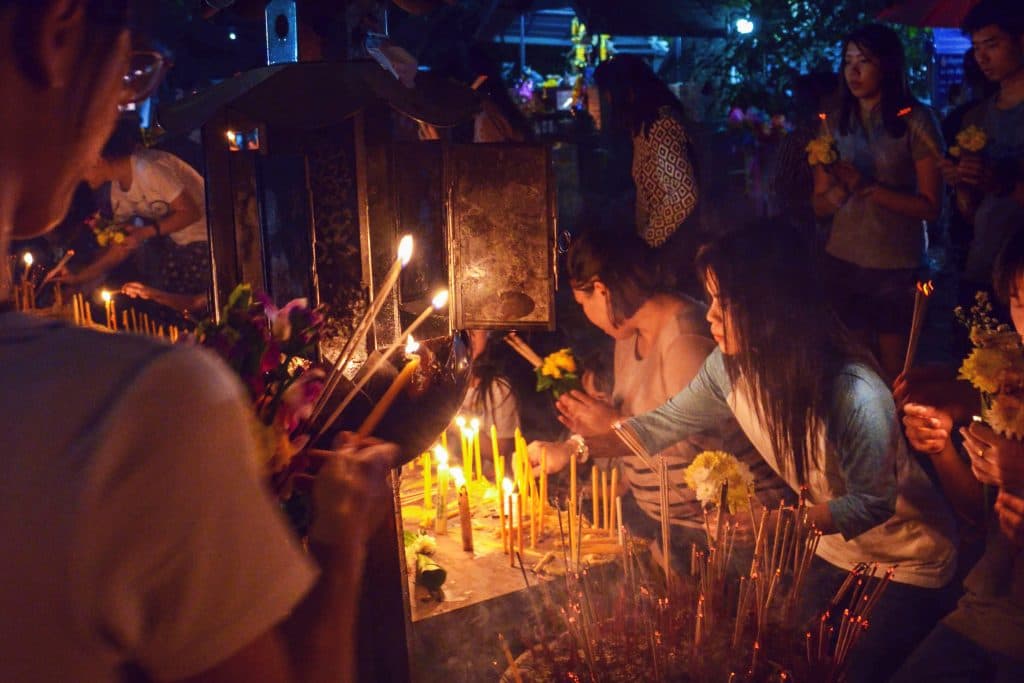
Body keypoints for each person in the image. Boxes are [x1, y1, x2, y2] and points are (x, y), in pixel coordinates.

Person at [0, 2, 392, 681]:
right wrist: (341, 542)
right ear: (56, 32)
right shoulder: (139, 411)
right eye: (130, 72)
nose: (118, 109)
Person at [581, 219, 957, 682]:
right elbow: (664, 424)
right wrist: (576, 448)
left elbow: (872, 503)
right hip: (833, 553)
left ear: (773, 306)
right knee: (763, 662)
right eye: (711, 298)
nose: (711, 315)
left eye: (725, 302)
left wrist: (777, 524)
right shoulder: (727, 367)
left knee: (838, 672)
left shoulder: (851, 388)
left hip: (908, 564)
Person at [529, 230, 787, 559]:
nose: (586, 316)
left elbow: (704, 458)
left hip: (735, 534)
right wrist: (574, 446)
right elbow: (636, 430)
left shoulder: (686, 339)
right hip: (678, 530)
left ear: (601, 289)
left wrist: (612, 423)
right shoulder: (627, 338)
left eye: (583, 304)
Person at [895, 227, 1024, 682]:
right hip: (988, 609)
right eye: (1019, 302)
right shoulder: (1010, 388)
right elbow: (978, 514)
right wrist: (943, 446)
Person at [813, 24, 944, 381]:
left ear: (886, 65)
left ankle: (893, 436)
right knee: (852, 368)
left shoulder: (916, 120)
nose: (853, 71)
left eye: (864, 61)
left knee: (894, 373)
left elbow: (931, 206)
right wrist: (839, 191)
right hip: (842, 258)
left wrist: (869, 187)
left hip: (895, 264)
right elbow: (819, 204)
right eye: (847, 61)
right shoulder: (835, 122)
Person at [67, 122, 211, 303]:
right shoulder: (117, 192)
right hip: (181, 246)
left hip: (211, 241)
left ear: (96, 159)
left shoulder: (148, 167)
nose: (79, 177)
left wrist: (143, 233)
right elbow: (121, 247)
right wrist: (78, 278)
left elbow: (191, 212)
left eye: (80, 169)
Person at [593, 55, 702, 294]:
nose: (608, 102)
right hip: (664, 251)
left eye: (610, 94)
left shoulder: (660, 127)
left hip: (674, 253)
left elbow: (683, 195)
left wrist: (646, 243)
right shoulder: (643, 128)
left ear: (628, 92)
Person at [942, 0, 1024, 301]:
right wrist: (961, 182)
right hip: (983, 269)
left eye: (992, 45)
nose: (982, 57)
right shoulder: (974, 118)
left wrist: (1003, 182)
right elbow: (970, 211)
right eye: (976, 48)